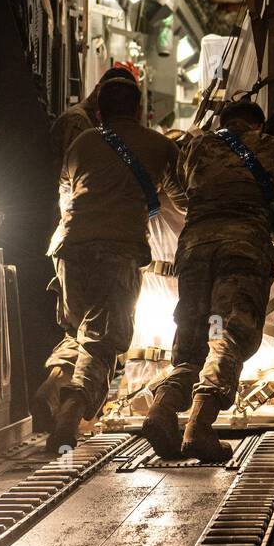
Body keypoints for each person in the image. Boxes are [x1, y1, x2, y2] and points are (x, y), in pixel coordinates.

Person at [140, 100, 274, 462]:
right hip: (241, 247)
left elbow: (179, 187)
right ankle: (200, 428)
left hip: (194, 247)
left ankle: (162, 410)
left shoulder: (197, 146)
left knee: (192, 336)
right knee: (228, 335)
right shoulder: (270, 147)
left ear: (221, 122)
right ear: (257, 126)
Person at [40, 76, 177, 452]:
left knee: (77, 332)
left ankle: (52, 386)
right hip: (116, 253)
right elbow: (181, 201)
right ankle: (69, 415)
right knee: (103, 343)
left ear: (99, 112)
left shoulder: (82, 142)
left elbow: (65, 195)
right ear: (139, 110)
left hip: (68, 250)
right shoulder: (160, 146)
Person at [48, 64, 141, 173]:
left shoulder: (91, 122)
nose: (117, 107)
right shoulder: (78, 121)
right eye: (113, 99)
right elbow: (80, 173)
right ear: (98, 91)